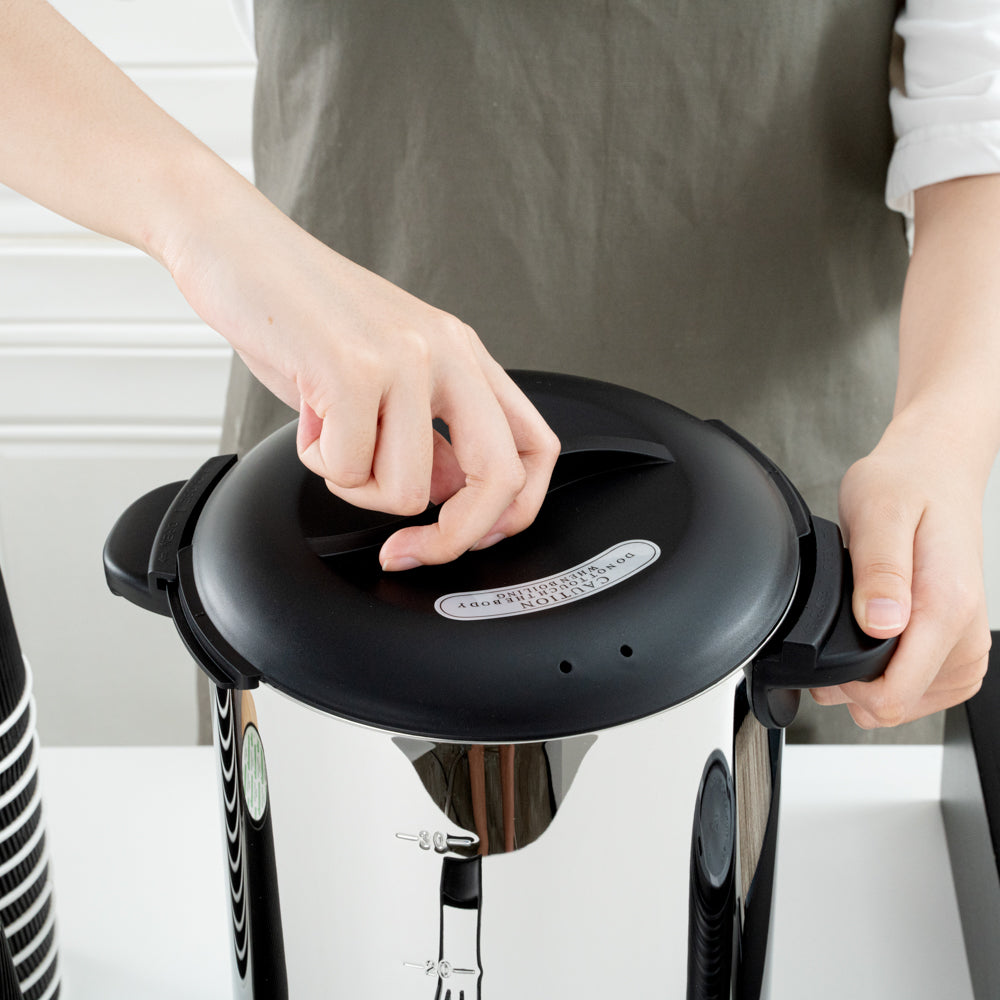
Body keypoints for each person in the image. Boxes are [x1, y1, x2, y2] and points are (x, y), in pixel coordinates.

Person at [1, 0, 997, 738]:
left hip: (800, 558)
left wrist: (944, 443)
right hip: (344, 504)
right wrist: (206, 226)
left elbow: (978, 128)